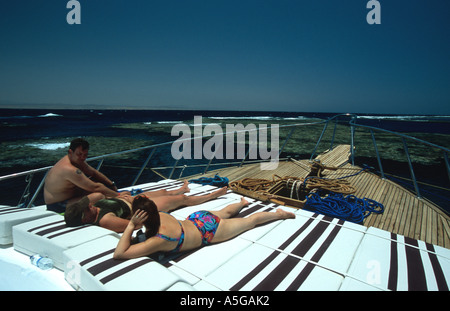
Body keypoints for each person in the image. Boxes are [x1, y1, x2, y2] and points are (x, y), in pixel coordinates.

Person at [113, 195, 296, 259]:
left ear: (140, 217)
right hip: (197, 218)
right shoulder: (160, 214)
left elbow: (119, 254)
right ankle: (242, 203)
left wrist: (131, 225)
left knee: (249, 222)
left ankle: (281, 214)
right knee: (225, 212)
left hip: (208, 232)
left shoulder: (158, 240)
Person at [64, 182, 228, 233]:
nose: (90, 205)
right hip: (137, 207)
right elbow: (134, 225)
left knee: (164, 191)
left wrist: (118, 196)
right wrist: (144, 213)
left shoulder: (94, 209)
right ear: (84, 218)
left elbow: (99, 195)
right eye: (87, 208)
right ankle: (213, 195)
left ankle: (181, 188)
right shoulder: (106, 220)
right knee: (181, 199)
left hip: (130, 199)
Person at [44, 138, 120, 213]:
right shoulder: (69, 169)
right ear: (70, 152)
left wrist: (111, 185)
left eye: (85, 155)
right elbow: (95, 187)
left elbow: (93, 173)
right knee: (98, 196)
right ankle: (119, 201)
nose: (83, 157)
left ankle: (115, 199)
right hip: (57, 205)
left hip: (71, 197)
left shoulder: (76, 160)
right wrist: (119, 196)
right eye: (79, 154)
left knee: (98, 182)